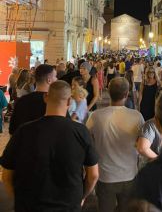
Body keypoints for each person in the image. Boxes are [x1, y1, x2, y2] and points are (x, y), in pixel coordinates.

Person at [1, 80, 99, 211]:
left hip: (30, 205)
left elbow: (6, 174)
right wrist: (82, 196)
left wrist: (18, 198)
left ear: (45, 98)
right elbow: (93, 175)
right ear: (69, 102)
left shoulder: (24, 131)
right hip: (68, 204)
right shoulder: (81, 132)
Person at [86, 77, 144, 212]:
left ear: (108, 91)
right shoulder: (137, 116)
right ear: (126, 94)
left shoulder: (95, 116)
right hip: (129, 175)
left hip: (105, 176)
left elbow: (88, 141)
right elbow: (141, 143)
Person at [9, 64, 57, 135]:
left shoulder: (21, 101)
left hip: (25, 144)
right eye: (55, 76)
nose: (57, 79)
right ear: (49, 80)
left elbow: (12, 130)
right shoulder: (55, 102)